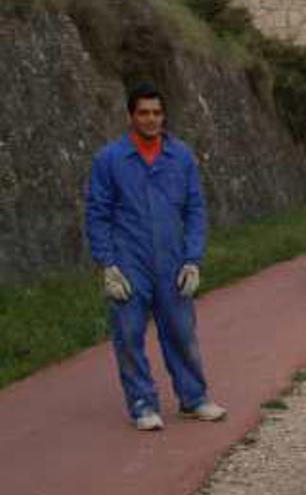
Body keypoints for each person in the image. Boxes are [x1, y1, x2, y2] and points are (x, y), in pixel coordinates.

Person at [85, 83, 226, 431]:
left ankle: (193, 399)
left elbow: (195, 210)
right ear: (131, 116)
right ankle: (142, 404)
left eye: (157, 113)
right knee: (129, 335)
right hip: (128, 261)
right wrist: (107, 265)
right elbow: (97, 213)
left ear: (164, 116)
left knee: (181, 332)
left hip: (173, 260)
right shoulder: (110, 159)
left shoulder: (181, 157)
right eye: (144, 113)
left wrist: (193, 259)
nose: (151, 119)